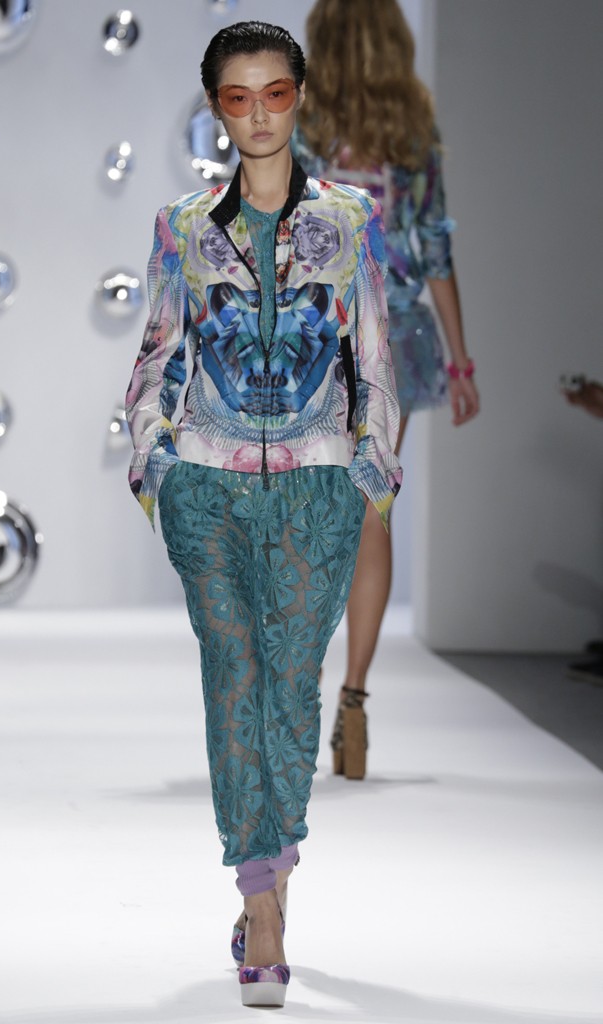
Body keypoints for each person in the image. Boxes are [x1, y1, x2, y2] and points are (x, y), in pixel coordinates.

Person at [125, 20, 401, 1008]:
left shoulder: (352, 219)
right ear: (216, 108)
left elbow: (374, 354)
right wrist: (156, 472)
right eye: (237, 98)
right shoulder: (182, 227)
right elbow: (156, 354)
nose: (257, 114)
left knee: (287, 694)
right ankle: (263, 906)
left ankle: (271, 875)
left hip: (318, 488)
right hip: (207, 483)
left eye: (273, 94)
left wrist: (370, 474)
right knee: (233, 680)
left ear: (298, 97)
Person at [294, 0, 480, 780]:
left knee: (305, 512)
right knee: (370, 512)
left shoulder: (301, 119)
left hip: (312, 332)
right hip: (395, 334)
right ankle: (353, 705)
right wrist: (459, 361)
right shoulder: (411, 123)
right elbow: (433, 244)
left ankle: (294, 697)